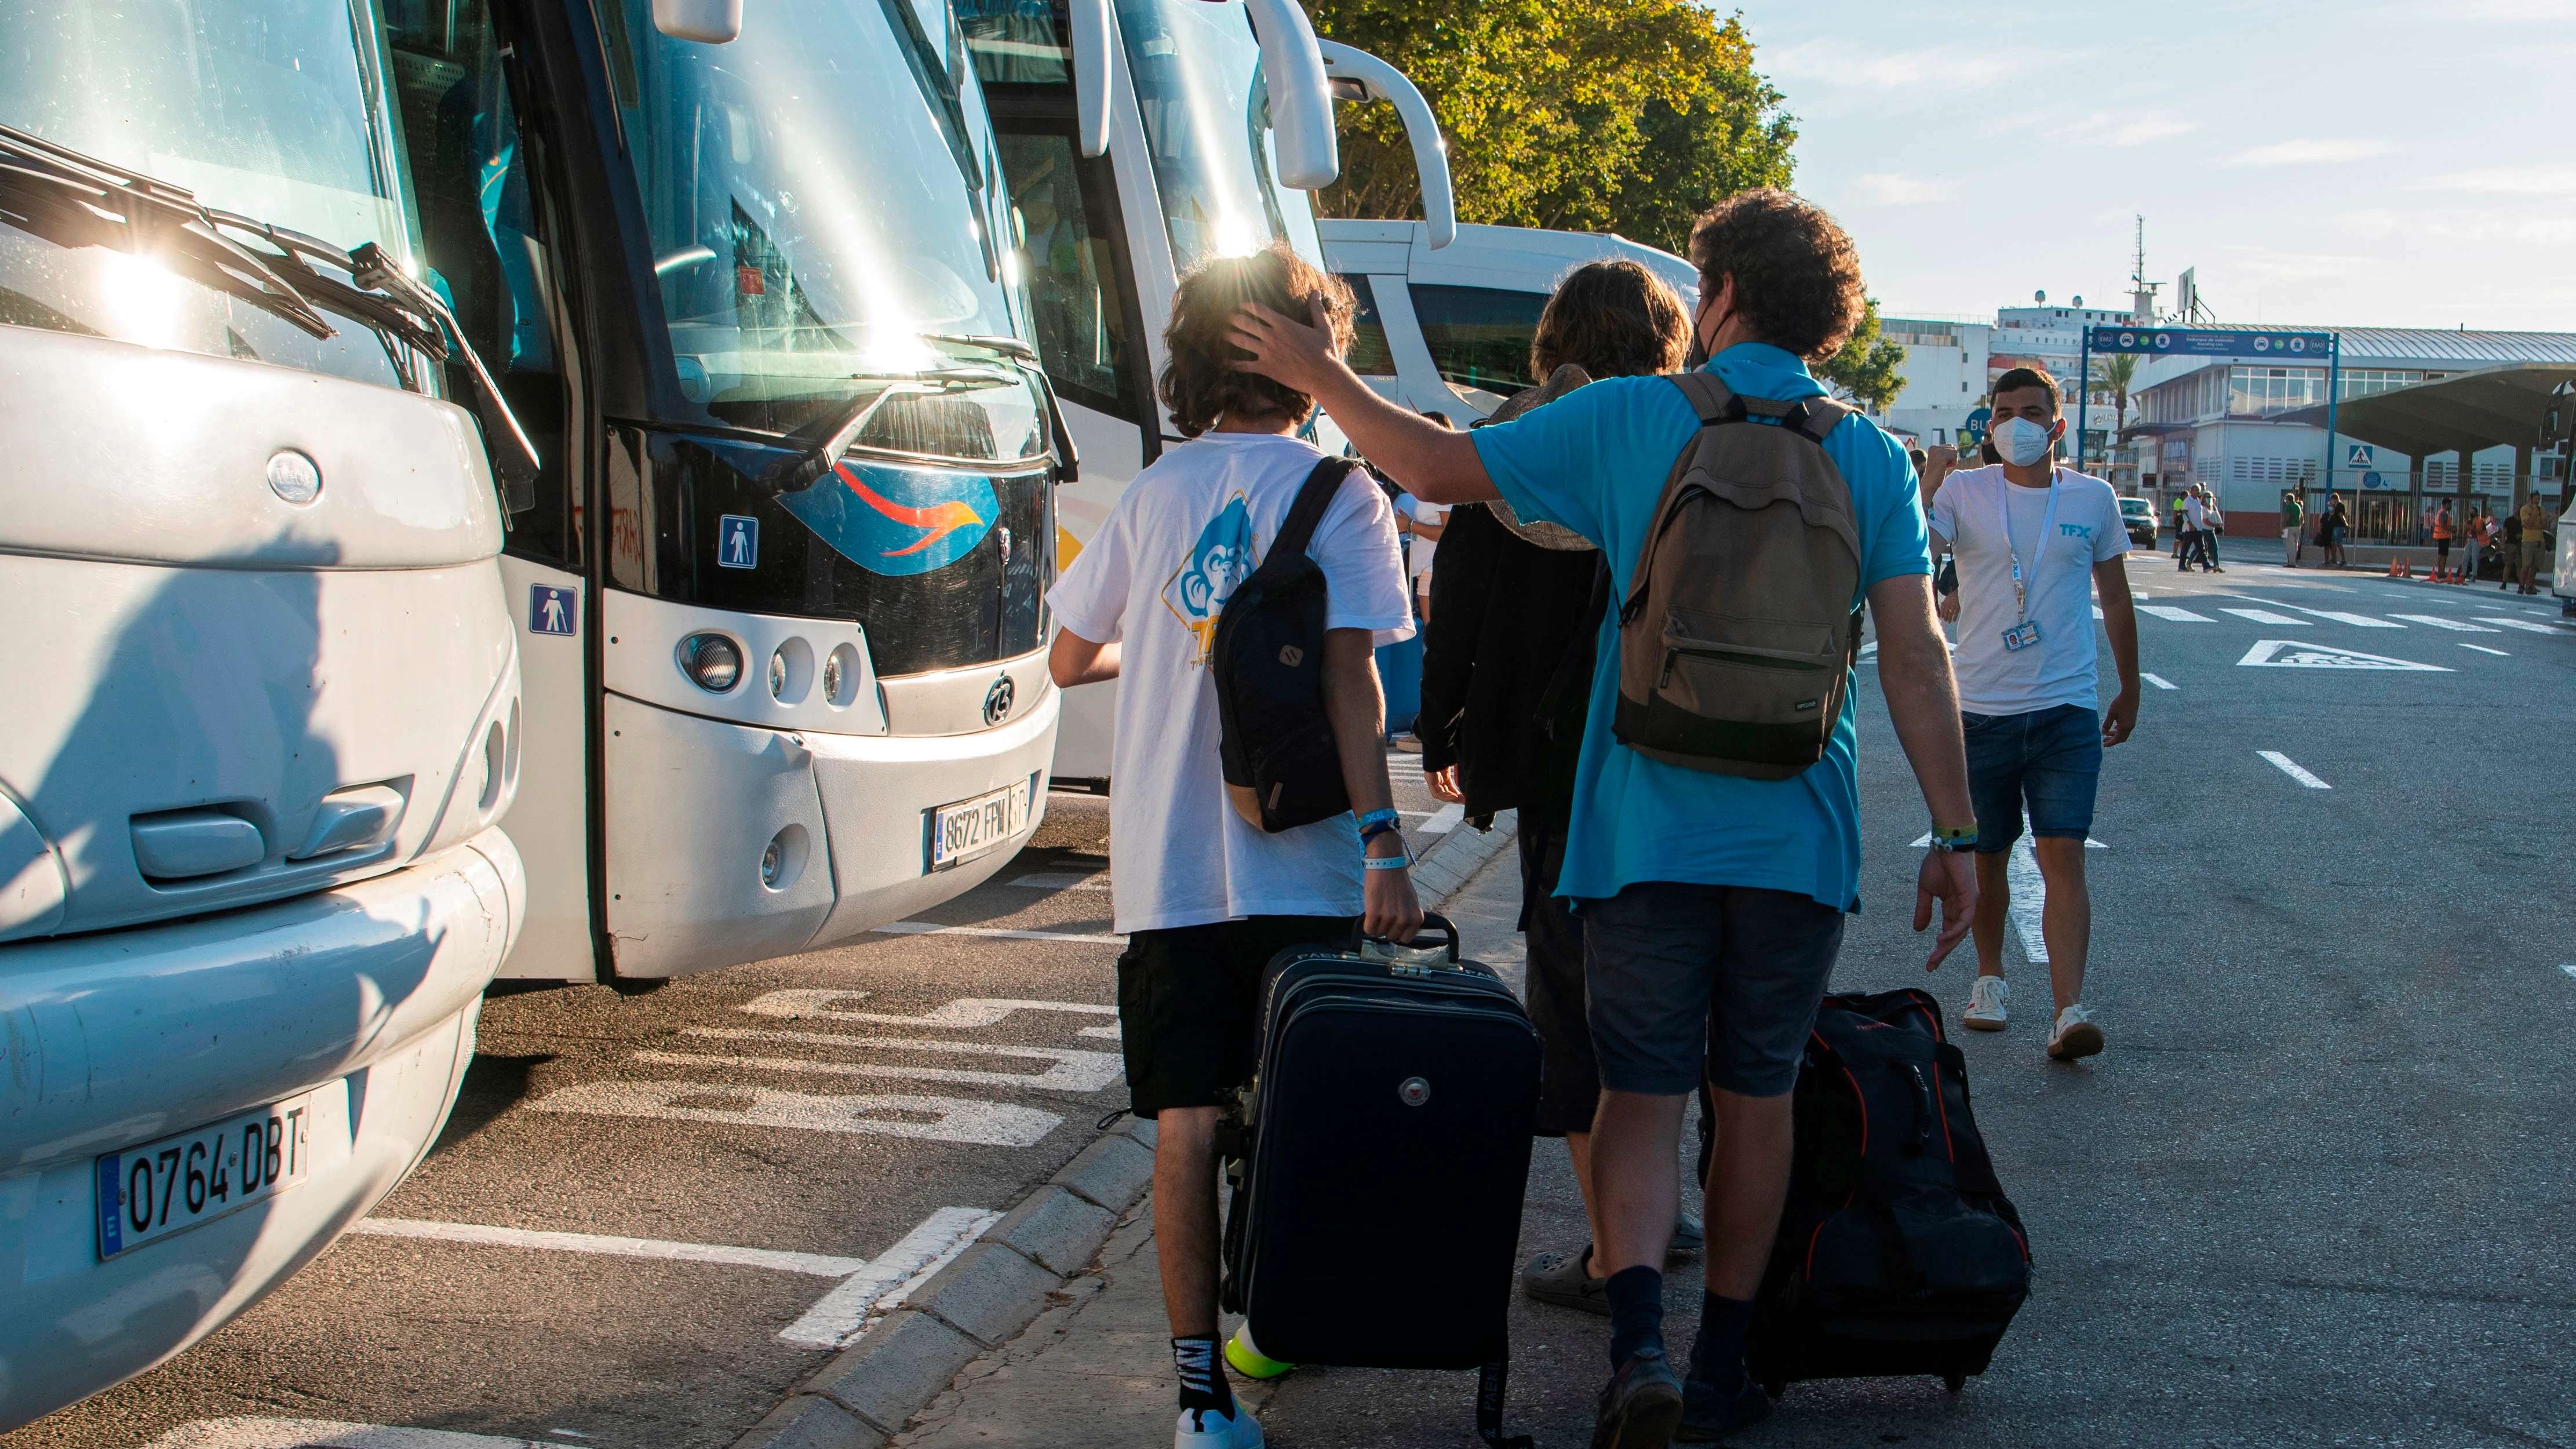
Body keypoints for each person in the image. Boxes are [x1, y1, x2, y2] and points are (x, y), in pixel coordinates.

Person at [1226, 187, 1978, 1449]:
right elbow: (1914, 657)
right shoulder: (1869, 455)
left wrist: (1321, 370)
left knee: (1635, 1092)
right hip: (1797, 833)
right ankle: (1724, 1358)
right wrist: (1957, 838)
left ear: (1723, 294)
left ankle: (1636, 1345)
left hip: (1638, 833)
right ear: (1826, 322)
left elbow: (1430, 467)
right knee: (1753, 1097)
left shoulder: (1633, 416)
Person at [1044, 244, 1421, 1449]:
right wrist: (1384, 847)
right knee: (1302, 1099)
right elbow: (1354, 685)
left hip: (1164, 861)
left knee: (1183, 1116)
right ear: (1307, 357)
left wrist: (1159, 653)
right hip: (1303, 855)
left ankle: (1198, 1399)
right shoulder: (1340, 494)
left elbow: (1067, 655)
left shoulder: (1153, 493)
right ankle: (1271, 1318)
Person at [1412, 260, 1708, 1317]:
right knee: (1670, 973)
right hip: (1672, 748)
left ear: (1553, 335)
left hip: (1551, 758)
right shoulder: (1684, 435)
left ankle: (1606, 1244)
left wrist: (1440, 718)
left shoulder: (1520, 436)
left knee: (1569, 988)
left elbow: (1462, 593)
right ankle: (1662, 1203)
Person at [1926, 366, 2138, 1061]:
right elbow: (1915, 555)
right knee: (1987, 860)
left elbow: (2114, 594)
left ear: (2056, 425)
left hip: (2064, 709)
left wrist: (2129, 685)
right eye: (2004, 410)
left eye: (2031, 410)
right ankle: (1989, 981)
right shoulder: (1963, 490)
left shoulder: (2093, 497)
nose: (2017, 422)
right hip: (1979, 708)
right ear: (1988, 424)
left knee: (2063, 856)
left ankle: (2067, 1007)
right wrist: (1929, 478)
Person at [2518, 492, 2551, 594]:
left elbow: (2544, 524)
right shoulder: (2525, 510)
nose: (2537, 501)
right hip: (2528, 541)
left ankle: (2530, 585)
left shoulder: (2542, 510)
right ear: (2531, 499)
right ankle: (2521, 586)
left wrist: (2532, 526)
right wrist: (2535, 512)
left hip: (2539, 541)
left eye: (2539, 499)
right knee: (2526, 565)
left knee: (2535, 566)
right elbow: (2529, 523)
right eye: (2536, 499)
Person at [2282, 489, 2305, 567]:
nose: (2286, 502)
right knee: (2295, 545)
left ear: (2288, 500)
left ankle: (2291, 563)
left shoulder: (2289, 507)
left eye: (2286, 500)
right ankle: (2294, 561)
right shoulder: (2298, 506)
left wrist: (2283, 527)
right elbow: (2302, 518)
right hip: (2297, 528)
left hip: (2290, 528)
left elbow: (2287, 518)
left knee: (2290, 545)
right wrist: (2300, 526)